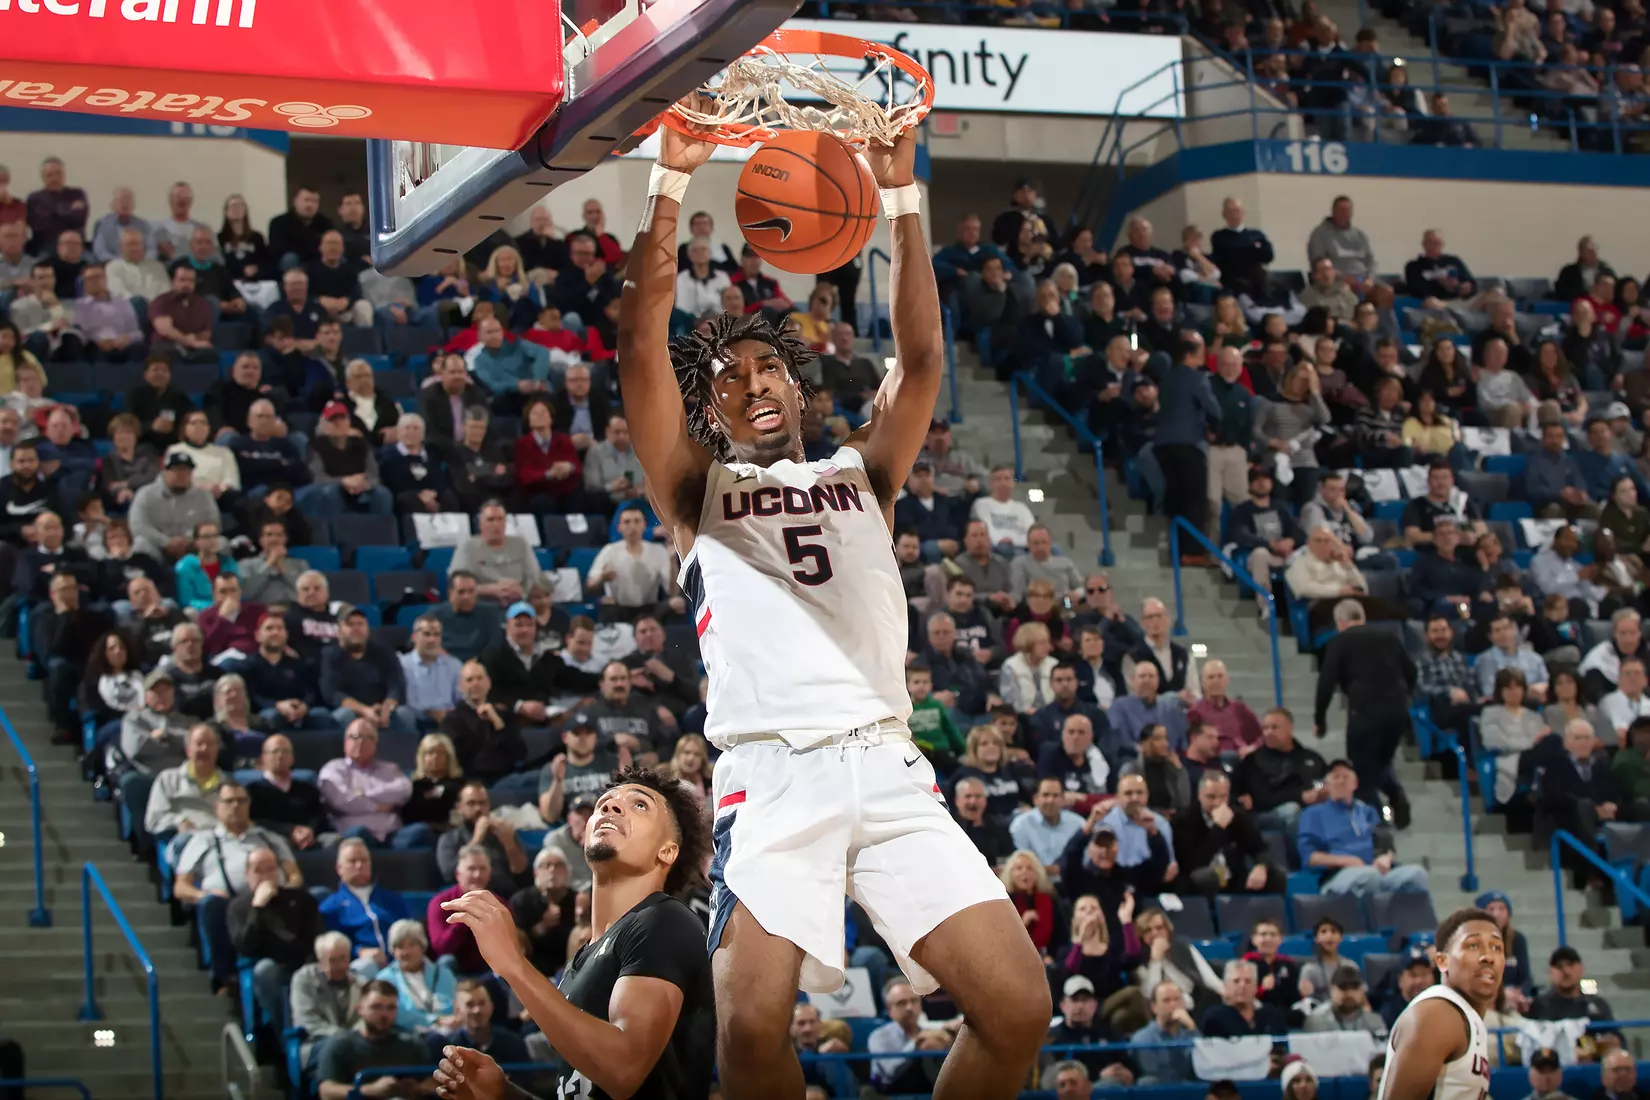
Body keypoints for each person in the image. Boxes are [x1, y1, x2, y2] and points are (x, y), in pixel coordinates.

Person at [431, 767, 714, 1100]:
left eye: (640, 805)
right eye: (604, 803)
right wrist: (502, 1095)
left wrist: (514, 964)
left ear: (667, 850)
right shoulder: (584, 957)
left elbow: (624, 1070)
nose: (610, 807)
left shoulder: (665, 920)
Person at [1374, 908, 1502, 1100]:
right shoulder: (1438, 1013)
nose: (1488, 957)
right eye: (1473, 945)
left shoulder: (1466, 1017)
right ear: (1442, 962)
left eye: (1496, 947)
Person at [1315, 598, 1417, 827]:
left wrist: (1319, 718)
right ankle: (1397, 796)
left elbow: (1326, 682)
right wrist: (1403, 698)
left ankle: (1376, 822)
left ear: (1339, 622)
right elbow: (1411, 672)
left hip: (1366, 710)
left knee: (1361, 768)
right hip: (1397, 711)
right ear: (1362, 618)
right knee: (1380, 762)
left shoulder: (1339, 642)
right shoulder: (1389, 638)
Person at [228, 845, 325, 1028]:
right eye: (258, 870)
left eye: (271, 868)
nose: (265, 875)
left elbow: (317, 936)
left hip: (303, 962)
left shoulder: (301, 899)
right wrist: (258, 907)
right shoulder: (238, 907)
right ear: (247, 874)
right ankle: (288, 1037)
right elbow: (245, 946)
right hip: (271, 965)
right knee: (266, 970)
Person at [1298, 760, 1429, 896]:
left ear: (1355, 784)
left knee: (1416, 875)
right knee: (1369, 876)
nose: (1341, 781)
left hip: (1373, 871)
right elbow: (1310, 858)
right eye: (1336, 777)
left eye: (1346, 777)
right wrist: (1348, 861)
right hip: (1338, 875)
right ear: (1327, 785)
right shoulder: (1313, 814)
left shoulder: (1367, 811)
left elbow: (1386, 846)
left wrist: (1385, 858)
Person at [318, 719, 433, 850]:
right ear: (345, 742)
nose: (360, 741)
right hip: (355, 838)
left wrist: (361, 793)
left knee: (422, 831)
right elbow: (342, 801)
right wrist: (377, 806)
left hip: (392, 835)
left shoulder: (389, 769)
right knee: (358, 834)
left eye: (367, 737)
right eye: (354, 737)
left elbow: (404, 791)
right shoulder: (333, 769)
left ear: (375, 744)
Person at [314, 979, 436, 1100]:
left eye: (391, 1008)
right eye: (376, 1007)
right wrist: (370, 1090)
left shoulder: (412, 1045)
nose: (384, 1014)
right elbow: (326, 1091)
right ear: (360, 1009)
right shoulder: (340, 1045)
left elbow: (433, 1083)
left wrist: (417, 1088)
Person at [290, 931, 368, 1075]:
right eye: (332, 960)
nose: (339, 965)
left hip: (355, 1045)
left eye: (343, 959)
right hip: (317, 1043)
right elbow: (307, 1021)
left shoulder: (361, 983)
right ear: (320, 960)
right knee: (339, 1049)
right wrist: (344, 1037)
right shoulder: (304, 979)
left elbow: (367, 1019)